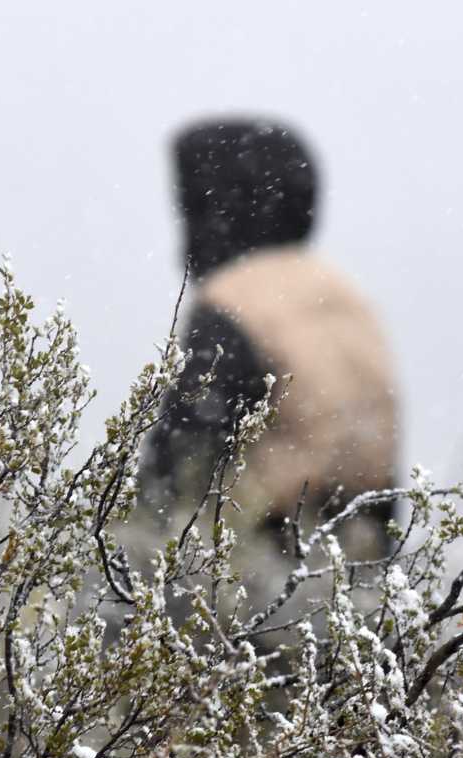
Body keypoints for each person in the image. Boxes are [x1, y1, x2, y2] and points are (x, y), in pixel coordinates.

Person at [138, 118, 400, 552]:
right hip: (358, 559)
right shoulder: (350, 302)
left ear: (222, 210)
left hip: (263, 565)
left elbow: (179, 465)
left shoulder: (234, 302)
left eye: (191, 207)